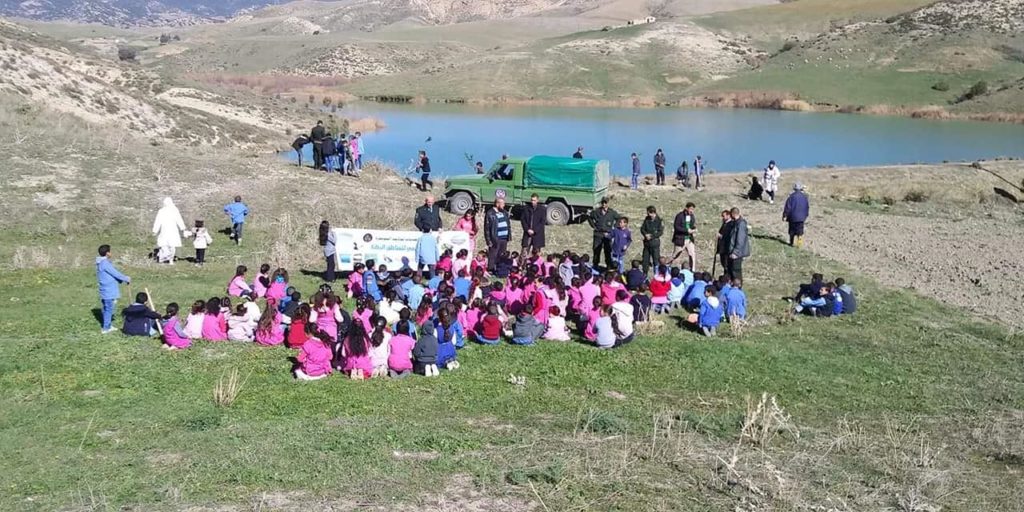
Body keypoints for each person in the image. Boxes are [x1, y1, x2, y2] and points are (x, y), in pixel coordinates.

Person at [96, 244, 130, 333]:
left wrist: (120, 279)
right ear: (107, 253)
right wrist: (125, 278)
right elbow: (115, 273)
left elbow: (110, 275)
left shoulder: (101, 262)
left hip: (105, 289)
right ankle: (106, 328)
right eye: (110, 251)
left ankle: (108, 325)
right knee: (109, 309)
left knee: (106, 308)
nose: (111, 253)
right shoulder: (105, 263)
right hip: (108, 290)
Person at [153, 197, 187, 264]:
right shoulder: (161, 211)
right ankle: (163, 259)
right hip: (165, 230)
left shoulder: (174, 210)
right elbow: (158, 221)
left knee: (172, 246)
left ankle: (170, 259)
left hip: (172, 231)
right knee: (164, 245)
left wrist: (183, 229)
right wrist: (155, 230)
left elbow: (179, 220)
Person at [588, 198, 619, 270]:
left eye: (605, 203)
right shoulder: (597, 211)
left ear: (608, 203)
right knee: (596, 250)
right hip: (598, 234)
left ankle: (608, 266)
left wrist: (614, 227)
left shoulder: (612, 212)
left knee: (608, 251)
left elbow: (619, 218)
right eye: (603, 203)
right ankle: (595, 266)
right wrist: (593, 226)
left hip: (607, 235)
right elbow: (590, 217)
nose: (604, 204)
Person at [484, 198, 512, 273]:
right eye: (502, 204)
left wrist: (509, 236)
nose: (504, 205)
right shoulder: (490, 213)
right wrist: (489, 241)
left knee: (502, 254)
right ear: (497, 204)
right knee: (493, 254)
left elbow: (508, 225)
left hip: (504, 238)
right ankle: (491, 269)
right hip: (495, 238)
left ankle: (500, 268)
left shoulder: (505, 213)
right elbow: (487, 228)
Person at [725, 208, 750, 281]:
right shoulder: (735, 223)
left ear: (733, 214)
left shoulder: (741, 224)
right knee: (731, 270)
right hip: (732, 251)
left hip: (737, 254)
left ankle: (737, 287)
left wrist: (735, 252)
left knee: (736, 272)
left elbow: (740, 239)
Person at [671, 202, 697, 271]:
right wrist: (686, 230)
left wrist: (694, 229)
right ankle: (670, 267)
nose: (691, 211)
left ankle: (692, 270)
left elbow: (692, 225)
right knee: (676, 255)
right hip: (680, 239)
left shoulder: (692, 216)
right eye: (690, 209)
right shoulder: (679, 216)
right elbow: (676, 227)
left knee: (692, 254)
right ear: (686, 208)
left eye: (693, 209)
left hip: (689, 239)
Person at [783, 182, 810, 248]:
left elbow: (788, 207)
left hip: (792, 217)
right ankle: (799, 243)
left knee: (792, 231)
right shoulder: (804, 197)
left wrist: (785, 215)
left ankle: (791, 243)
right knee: (800, 230)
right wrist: (805, 215)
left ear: (794, 189)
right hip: (801, 217)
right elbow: (807, 207)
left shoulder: (791, 197)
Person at [640, 205, 663, 275]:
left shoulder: (659, 221)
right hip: (647, 244)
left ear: (653, 213)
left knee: (656, 261)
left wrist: (652, 236)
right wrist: (645, 234)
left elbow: (660, 232)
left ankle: (656, 275)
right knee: (645, 260)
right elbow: (642, 229)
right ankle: (644, 275)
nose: (648, 215)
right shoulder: (647, 219)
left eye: (649, 213)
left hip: (655, 244)